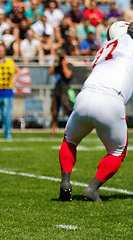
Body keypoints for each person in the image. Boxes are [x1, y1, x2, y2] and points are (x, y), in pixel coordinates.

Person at [58, 21, 132, 202]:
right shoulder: (128, 41)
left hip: (85, 96)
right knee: (117, 152)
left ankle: (65, 181)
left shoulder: (105, 48)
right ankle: (92, 188)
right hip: (111, 99)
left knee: (69, 140)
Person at [0, 44, 20, 139]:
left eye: (2, 50)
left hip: (7, 91)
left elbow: (18, 71)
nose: (0, 52)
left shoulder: (10, 62)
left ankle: (7, 133)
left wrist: (14, 80)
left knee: (7, 115)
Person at [49, 49, 74, 135]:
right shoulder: (57, 66)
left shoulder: (69, 65)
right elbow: (50, 72)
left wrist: (64, 64)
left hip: (65, 91)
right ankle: (53, 129)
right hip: (57, 91)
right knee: (54, 111)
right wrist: (54, 62)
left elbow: (67, 75)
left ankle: (72, 128)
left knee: (68, 110)